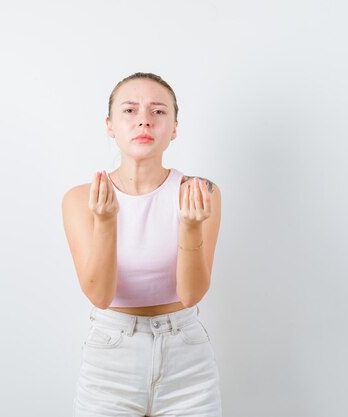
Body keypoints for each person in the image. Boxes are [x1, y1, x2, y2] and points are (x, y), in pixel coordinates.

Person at [62, 72, 223, 417]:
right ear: (110, 125)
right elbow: (100, 296)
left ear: (175, 127)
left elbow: (191, 294)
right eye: (130, 110)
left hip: (187, 358)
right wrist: (106, 222)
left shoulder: (199, 191)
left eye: (158, 112)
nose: (144, 120)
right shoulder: (81, 200)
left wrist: (191, 227)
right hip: (111, 357)